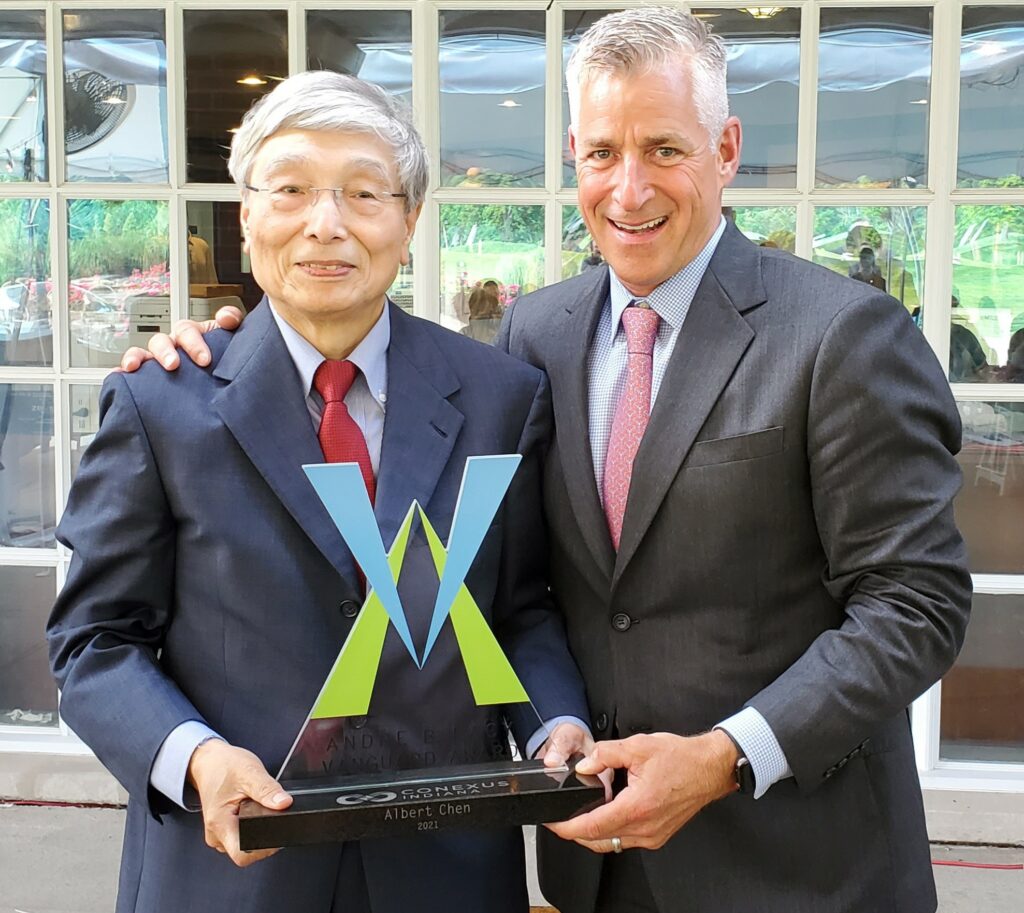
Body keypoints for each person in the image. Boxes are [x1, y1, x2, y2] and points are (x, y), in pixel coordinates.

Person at [126, 8, 972, 913]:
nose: (630, 188)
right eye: (603, 153)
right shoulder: (536, 338)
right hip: (593, 857)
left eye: (665, 150)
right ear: (574, 155)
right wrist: (239, 347)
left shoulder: (842, 334)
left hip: (796, 863)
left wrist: (726, 756)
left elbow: (915, 602)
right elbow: (519, 583)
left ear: (726, 150)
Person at [47, 71, 591, 913]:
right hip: (229, 867)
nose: (325, 223)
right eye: (292, 189)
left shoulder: (498, 398)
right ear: (248, 216)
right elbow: (95, 642)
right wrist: (193, 757)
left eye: (364, 192)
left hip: (443, 866)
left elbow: (518, 607)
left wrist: (555, 719)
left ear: (409, 222)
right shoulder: (162, 402)